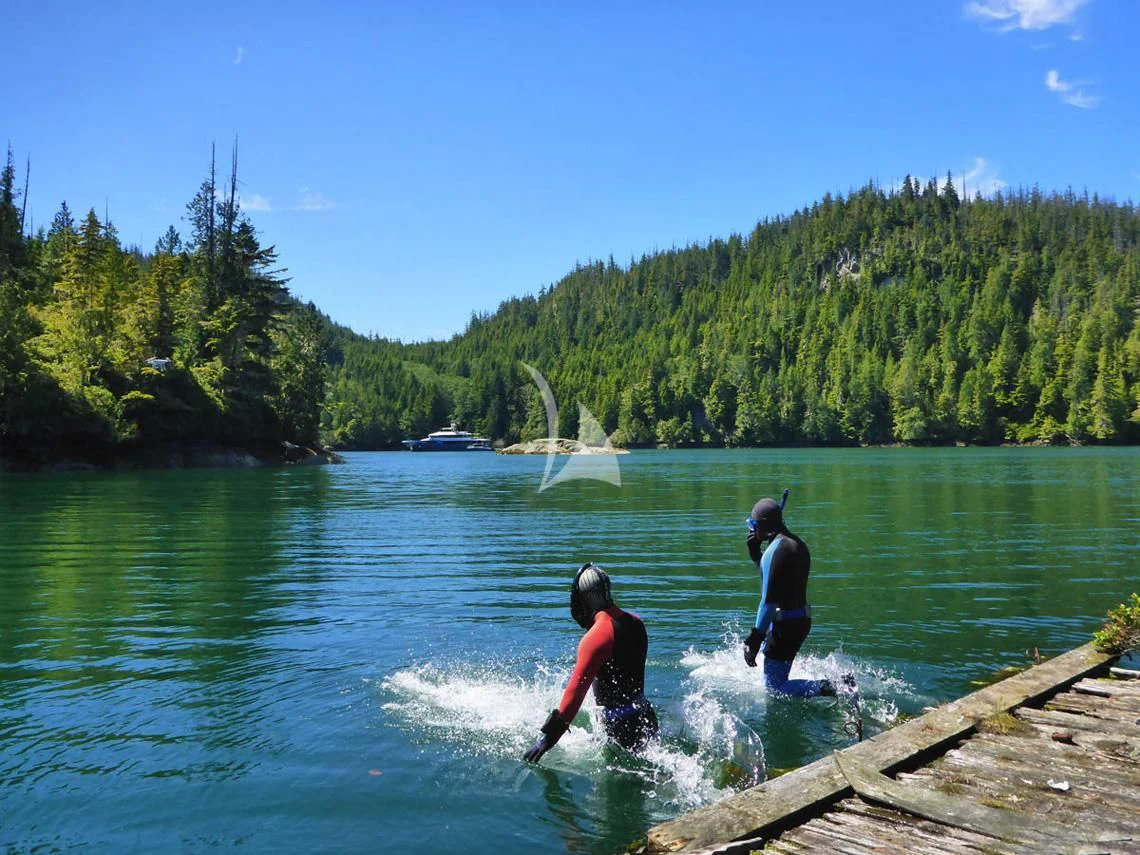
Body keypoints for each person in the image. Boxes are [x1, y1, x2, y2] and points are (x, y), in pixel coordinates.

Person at [523, 563, 659, 764]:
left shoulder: (597, 636)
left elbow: (575, 692)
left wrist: (549, 739)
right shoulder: (636, 623)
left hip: (619, 729)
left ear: (584, 598)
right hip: (646, 718)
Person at [742, 496, 839, 698]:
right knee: (779, 678)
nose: (751, 530)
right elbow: (778, 580)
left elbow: (768, 601)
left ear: (763, 525)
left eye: (753, 524)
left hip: (784, 627)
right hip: (801, 621)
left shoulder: (775, 551)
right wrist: (756, 555)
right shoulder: (797, 545)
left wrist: (755, 639)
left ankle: (834, 687)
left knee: (775, 687)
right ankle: (832, 685)